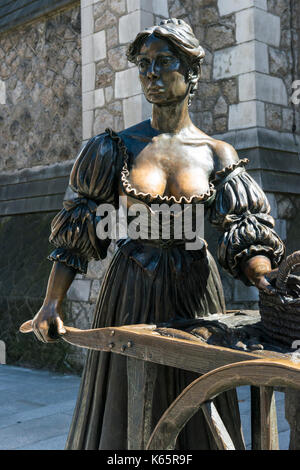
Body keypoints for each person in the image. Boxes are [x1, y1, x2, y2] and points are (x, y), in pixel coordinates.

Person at [31, 19, 285, 449]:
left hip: (196, 292)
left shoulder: (216, 153)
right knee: (127, 403)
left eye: (164, 62)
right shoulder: (115, 147)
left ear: (191, 74)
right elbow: (79, 226)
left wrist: (266, 280)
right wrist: (52, 301)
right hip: (131, 288)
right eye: (144, 64)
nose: (151, 73)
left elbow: (245, 230)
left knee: (197, 397)